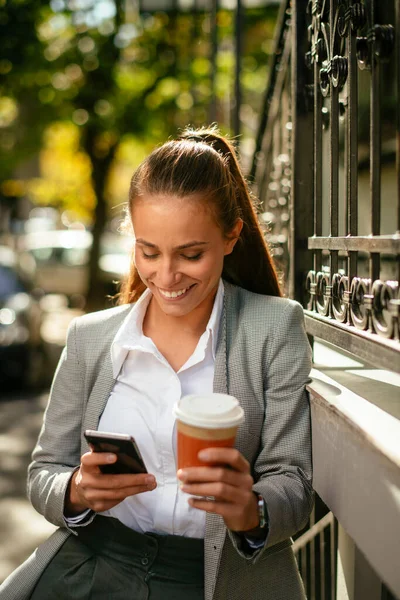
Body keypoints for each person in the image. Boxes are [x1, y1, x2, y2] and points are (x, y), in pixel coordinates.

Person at [0, 126, 313, 600]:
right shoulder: (91, 338)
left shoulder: (273, 328)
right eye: (149, 251)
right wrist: (78, 491)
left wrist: (251, 508)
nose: (165, 277)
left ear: (231, 237)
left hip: (215, 579)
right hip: (91, 570)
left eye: (191, 254)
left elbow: (295, 483)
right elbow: (44, 472)